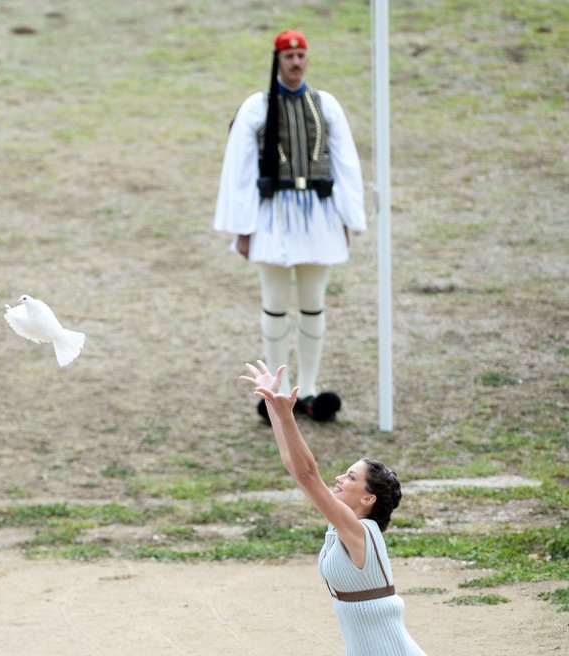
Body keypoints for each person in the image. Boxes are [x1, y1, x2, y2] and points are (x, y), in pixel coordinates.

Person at [214, 30, 366, 424]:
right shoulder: (256, 107)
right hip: (273, 216)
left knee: (314, 304)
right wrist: (242, 228)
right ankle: (278, 394)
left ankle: (310, 390)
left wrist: (348, 217)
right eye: (289, 56)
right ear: (277, 60)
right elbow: (240, 170)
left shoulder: (325, 104)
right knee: (275, 304)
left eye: (301, 55)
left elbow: (345, 162)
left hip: (318, 214)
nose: (296, 62)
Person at [242, 360, 427, 655]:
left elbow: (308, 474)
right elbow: (294, 466)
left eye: (351, 477)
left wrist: (288, 415)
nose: (339, 478)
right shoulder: (344, 524)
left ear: (368, 499)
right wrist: (273, 405)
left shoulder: (359, 530)